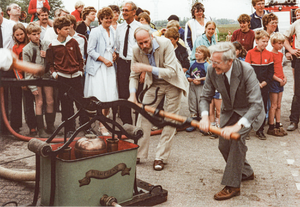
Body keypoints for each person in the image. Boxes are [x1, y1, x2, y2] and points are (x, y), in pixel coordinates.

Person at [199, 42, 265, 200]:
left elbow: (256, 105)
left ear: (230, 61)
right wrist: (204, 116)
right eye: (212, 62)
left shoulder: (246, 70)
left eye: (217, 63)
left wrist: (237, 126)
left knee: (236, 140)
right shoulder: (211, 69)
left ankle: (232, 185)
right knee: (223, 144)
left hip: (249, 112)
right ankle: (246, 172)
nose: (213, 66)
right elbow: (205, 96)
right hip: (229, 111)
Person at [128, 25, 188, 171]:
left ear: (152, 37)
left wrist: (146, 68)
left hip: (173, 82)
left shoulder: (166, 43)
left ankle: (160, 157)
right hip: (155, 83)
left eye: (146, 42)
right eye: (140, 43)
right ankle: (139, 153)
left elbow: (171, 72)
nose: (144, 46)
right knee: (143, 114)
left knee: (170, 119)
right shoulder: (136, 50)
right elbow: (133, 75)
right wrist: (132, 94)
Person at [47, 16, 89, 137]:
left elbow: (80, 58)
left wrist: (81, 70)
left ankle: (85, 125)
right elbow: (50, 62)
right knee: (66, 104)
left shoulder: (73, 42)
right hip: (62, 78)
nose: (68, 31)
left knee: (80, 102)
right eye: (65, 29)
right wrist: (54, 73)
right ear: (58, 30)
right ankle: (69, 128)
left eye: (69, 28)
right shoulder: (52, 45)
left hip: (76, 77)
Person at [84, 7, 118, 136]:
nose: (108, 20)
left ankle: (104, 121)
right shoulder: (95, 31)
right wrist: (103, 59)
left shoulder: (113, 31)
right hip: (99, 67)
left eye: (110, 18)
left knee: (109, 95)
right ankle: (100, 125)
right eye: (106, 18)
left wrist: (114, 54)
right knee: (100, 96)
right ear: (100, 19)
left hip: (110, 66)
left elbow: (112, 47)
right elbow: (90, 50)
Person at [23, 23, 55, 138]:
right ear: (29, 35)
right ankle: (41, 128)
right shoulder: (26, 49)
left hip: (46, 76)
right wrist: (32, 86)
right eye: (34, 34)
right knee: (39, 102)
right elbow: (27, 70)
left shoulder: (46, 44)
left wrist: (47, 55)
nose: (37, 36)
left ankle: (50, 125)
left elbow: (53, 60)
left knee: (50, 101)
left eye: (38, 33)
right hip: (35, 78)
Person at [115, 1, 142, 125]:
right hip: (122, 64)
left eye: (127, 10)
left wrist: (143, 71)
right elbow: (118, 46)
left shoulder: (140, 28)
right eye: (123, 10)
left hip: (136, 63)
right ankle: (127, 124)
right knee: (123, 93)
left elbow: (145, 51)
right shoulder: (119, 28)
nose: (124, 13)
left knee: (139, 93)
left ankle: (139, 124)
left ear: (133, 12)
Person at [245, 30, 274, 140]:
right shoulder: (250, 53)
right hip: (252, 86)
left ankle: (260, 130)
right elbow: (248, 71)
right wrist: (255, 83)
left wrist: (265, 82)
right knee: (249, 107)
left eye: (267, 41)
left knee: (262, 108)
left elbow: (271, 72)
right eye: (263, 41)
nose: (265, 44)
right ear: (256, 41)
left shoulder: (269, 54)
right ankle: (246, 129)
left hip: (264, 86)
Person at [12, 23, 37, 137]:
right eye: (17, 35)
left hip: (33, 76)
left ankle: (40, 125)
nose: (20, 37)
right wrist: (21, 81)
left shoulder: (30, 44)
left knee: (38, 102)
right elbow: (16, 67)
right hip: (23, 78)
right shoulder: (15, 48)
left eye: (21, 34)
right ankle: (31, 126)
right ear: (14, 36)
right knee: (27, 104)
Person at [267, 32, 287, 136]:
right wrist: (279, 80)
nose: (281, 45)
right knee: (273, 105)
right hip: (274, 81)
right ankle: (271, 127)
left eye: (282, 43)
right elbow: (271, 72)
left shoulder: (280, 54)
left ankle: (278, 125)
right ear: (273, 43)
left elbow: (280, 67)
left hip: (280, 81)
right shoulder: (270, 54)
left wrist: (284, 77)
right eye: (279, 43)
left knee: (279, 105)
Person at [185, 45, 209, 132]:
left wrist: (201, 81)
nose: (196, 54)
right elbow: (187, 73)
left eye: (199, 52)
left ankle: (203, 122)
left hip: (201, 87)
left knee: (201, 102)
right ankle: (193, 122)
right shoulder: (192, 64)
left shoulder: (206, 65)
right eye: (196, 52)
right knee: (192, 102)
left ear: (204, 55)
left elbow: (209, 77)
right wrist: (188, 78)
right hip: (192, 86)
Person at [283, 16, 300, 131]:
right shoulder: (297, 23)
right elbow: (284, 37)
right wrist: (291, 50)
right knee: (298, 91)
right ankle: (294, 121)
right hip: (299, 59)